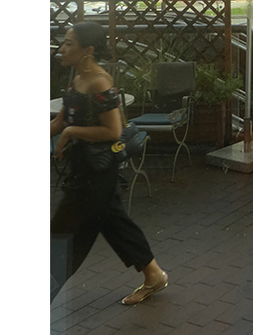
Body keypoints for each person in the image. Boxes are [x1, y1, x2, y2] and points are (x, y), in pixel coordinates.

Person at [51, 22, 170, 305]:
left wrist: (70, 133)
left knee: (67, 233)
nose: (62, 48)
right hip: (83, 168)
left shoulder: (100, 83)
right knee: (115, 223)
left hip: (97, 170)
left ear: (87, 51)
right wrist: (63, 129)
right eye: (63, 42)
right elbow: (61, 120)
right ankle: (154, 275)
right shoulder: (76, 77)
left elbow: (113, 131)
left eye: (69, 43)